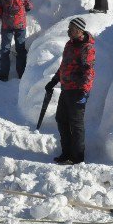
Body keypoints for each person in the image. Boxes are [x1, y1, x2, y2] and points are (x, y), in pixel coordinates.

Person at [45, 17, 95, 164]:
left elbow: (89, 71)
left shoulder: (87, 48)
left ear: (80, 31)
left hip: (78, 91)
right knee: (61, 119)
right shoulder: (70, 44)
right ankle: (66, 153)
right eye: (68, 28)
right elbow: (64, 66)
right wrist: (54, 80)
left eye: (71, 29)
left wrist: (85, 92)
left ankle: (78, 157)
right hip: (66, 88)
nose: (68, 31)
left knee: (76, 124)